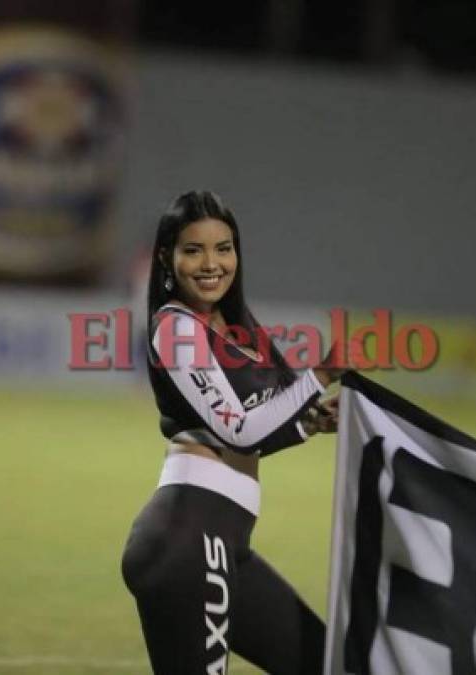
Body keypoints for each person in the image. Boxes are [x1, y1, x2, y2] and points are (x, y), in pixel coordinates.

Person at [121, 190, 346, 674]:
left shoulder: (235, 327)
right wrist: (319, 375)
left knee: (323, 662)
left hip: (224, 545)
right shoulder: (176, 327)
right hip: (188, 539)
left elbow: (262, 427)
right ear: (166, 257)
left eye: (223, 248)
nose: (211, 263)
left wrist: (312, 422)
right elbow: (238, 430)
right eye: (193, 249)